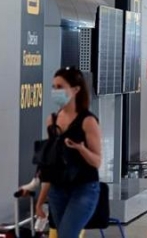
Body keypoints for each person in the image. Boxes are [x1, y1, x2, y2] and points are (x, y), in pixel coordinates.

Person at [35, 67, 102, 238]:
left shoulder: (88, 121)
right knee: (59, 233)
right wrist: (41, 200)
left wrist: (81, 149)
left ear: (76, 89)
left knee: (67, 234)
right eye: (54, 87)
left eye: (60, 87)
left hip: (84, 188)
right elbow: (50, 165)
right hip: (58, 189)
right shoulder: (52, 121)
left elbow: (97, 161)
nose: (56, 91)